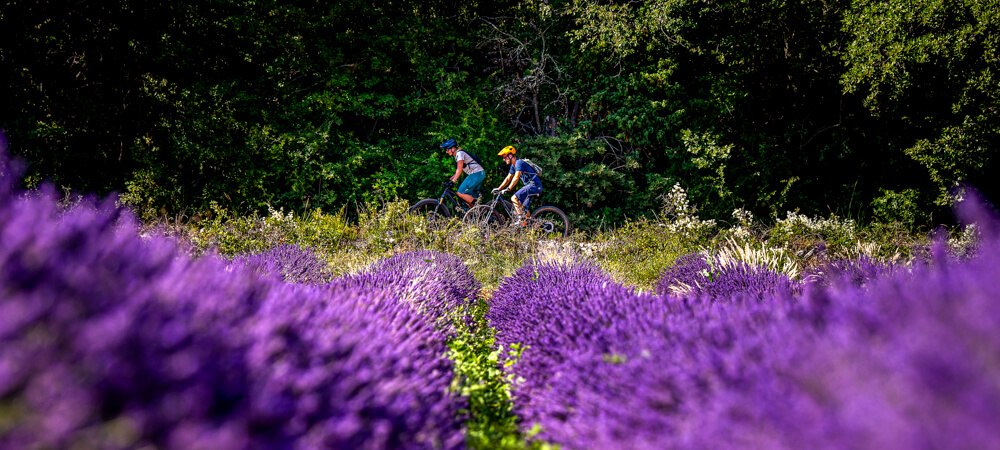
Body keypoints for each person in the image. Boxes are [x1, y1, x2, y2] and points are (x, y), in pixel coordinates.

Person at [493, 145, 542, 222]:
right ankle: (533, 224)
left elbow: (516, 177)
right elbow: (508, 178)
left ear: (510, 156)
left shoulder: (519, 163)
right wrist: (499, 188)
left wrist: (508, 189)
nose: (503, 159)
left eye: (505, 157)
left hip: (533, 185)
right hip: (532, 186)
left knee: (514, 198)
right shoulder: (514, 165)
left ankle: (520, 220)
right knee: (523, 209)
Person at [440, 139, 485, 208]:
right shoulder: (457, 155)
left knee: (460, 192)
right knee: (469, 198)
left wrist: (453, 181)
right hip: (479, 174)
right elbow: (458, 171)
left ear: (453, 148)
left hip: (476, 174)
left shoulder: (459, 153)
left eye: (447, 149)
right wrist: (450, 179)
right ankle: (478, 213)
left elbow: (459, 169)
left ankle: (479, 207)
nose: (446, 152)